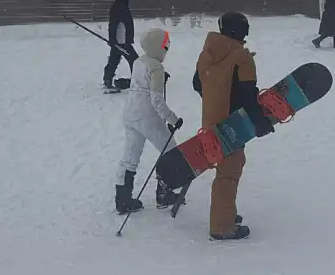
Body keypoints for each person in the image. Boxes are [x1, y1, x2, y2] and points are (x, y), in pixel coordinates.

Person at [192, 12, 274, 240]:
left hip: (211, 121)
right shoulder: (242, 58)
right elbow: (248, 95)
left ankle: (226, 212)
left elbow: (197, 84)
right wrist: (260, 122)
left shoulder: (207, 54)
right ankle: (222, 226)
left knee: (229, 168)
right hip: (233, 124)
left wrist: (216, 98)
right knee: (228, 174)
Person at [114, 28, 184, 215]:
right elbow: (157, 100)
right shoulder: (156, 67)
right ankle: (164, 194)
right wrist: (173, 119)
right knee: (171, 152)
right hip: (148, 117)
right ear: (158, 46)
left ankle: (122, 199)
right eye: (165, 45)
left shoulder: (138, 61)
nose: (167, 49)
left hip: (130, 114)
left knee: (130, 158)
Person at [103, 0, 139, 93]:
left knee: (114, 60)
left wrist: (114, 41)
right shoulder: (119, 7)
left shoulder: (122, 5)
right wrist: (113, 40)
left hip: (120, 41)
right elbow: (113, 25)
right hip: (122, 42)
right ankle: (138, 82)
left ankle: (108, 80)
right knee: (135, 61)